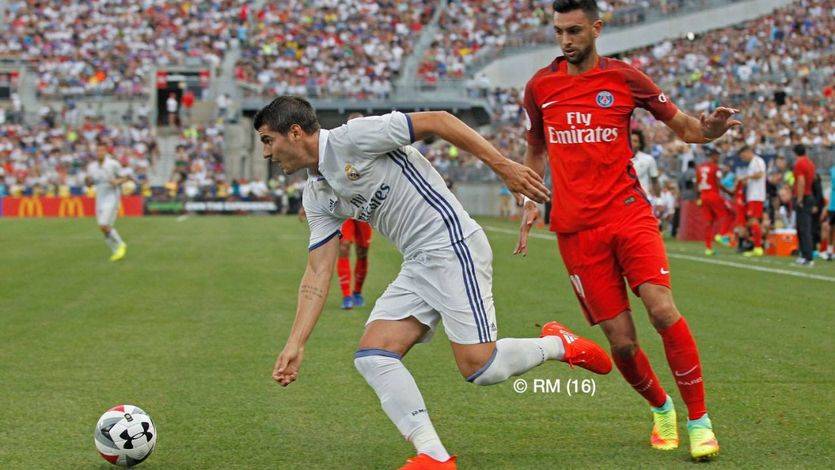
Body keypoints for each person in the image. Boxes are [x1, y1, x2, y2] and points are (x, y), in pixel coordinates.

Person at [259, 96, 612, 469]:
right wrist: (296, 343)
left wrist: (503, 166)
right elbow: (317, 273)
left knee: (481, 368)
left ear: (295, 132)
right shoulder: (317, 194)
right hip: (418, 264)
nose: (267, 152)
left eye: (268, 140)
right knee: (373, 356)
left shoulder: (355, 137)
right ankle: (434, 455)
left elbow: (439, 121)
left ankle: (558, 344)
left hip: (453, 245)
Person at [514, 0, 741, 460]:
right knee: (621, 339)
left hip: (627, 213)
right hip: (576, 229)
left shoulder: (625, 78)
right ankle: (661, 409)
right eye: (559, 31)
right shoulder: (540, 86)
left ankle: (700, 420)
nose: (566, 40)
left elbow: (687, 129)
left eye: (574, 30)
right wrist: (528, 201)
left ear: (596, 28)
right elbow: (535, 149)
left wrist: (711, 130)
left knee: (661, 309)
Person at [337, 112, 374, 310]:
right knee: (344, 248)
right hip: (345, 209)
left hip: (365, 210)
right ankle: (346, 296)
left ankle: (357, 292)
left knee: (362, 252)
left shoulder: (373, 148)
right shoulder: (338, 149)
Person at [86, 143, 130, 261]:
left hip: (111, 196)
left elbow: (126, 177)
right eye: (98, 151)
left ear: (106, 152)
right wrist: (88, 181)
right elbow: (89, 184)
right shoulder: (92, 166)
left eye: (102, 150)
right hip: (99, 197)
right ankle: (115, 251)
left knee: (103, 223)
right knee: (103, 227)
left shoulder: (113, 164)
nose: (99, 153)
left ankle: (121, 244)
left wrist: (117, 181)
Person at [696, 148, 733, 255]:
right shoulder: (715, 168)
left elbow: (697, 184)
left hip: (703, 196)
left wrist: (698, 197)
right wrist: (730, 192)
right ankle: (721, 235)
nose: (718, 158)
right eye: (717, 156)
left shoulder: (700, 167)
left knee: (709, 222)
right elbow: (718, 183)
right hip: (713, 195)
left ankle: (708, 248)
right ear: (713, 156)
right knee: (730, 213)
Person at [738, 145, 767, 257]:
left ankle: (758, 247)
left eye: (743, 155)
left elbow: (760, 174)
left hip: (757, 196)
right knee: (751, 222)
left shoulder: (758, 161)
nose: (742, 158)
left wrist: (746, 178)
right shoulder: (751, 164)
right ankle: (756, 245)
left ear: (748, 152)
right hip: (752, 196)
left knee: (753, 221)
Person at [792, 144, 816, 265]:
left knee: (803, 228)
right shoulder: (810, 163)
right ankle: (805, 255)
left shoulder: (799, 163)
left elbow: (801, 181)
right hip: (809, 195)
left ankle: (808, 256)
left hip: (804, 196)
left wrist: (800, 199)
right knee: (803, 227)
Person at [631, 129, 660, 197]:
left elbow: (655, 181)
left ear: (640, 144)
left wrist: (659, 200)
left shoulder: (648, 159)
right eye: (630, 140)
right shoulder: (619, 160)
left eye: (635, 141)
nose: (632, 143)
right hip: (624, 200)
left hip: (642, 198)